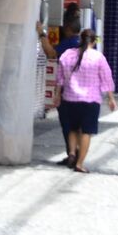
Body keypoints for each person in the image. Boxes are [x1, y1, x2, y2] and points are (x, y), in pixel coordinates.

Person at [54, 29, 117, 173]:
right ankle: (79, 164)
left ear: (80, 40)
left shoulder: (67, 55)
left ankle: (71, 153)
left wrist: (57, 95)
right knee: (86, 132)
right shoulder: (98, 57)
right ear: (94, 42)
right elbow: (106, 78)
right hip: (90, 101)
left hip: (70, 98)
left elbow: (60, 78)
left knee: (72, 129)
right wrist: (111, 98)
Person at [37, 19, 81, 164]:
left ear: (68, 28)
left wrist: (41, 34)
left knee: (68, 124)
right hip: (83, 91)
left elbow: (51, 54)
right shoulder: (82, 43)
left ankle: (72, 155)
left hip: (68, 91)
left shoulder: (69, 43)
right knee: (77, 124)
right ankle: (76, 156)